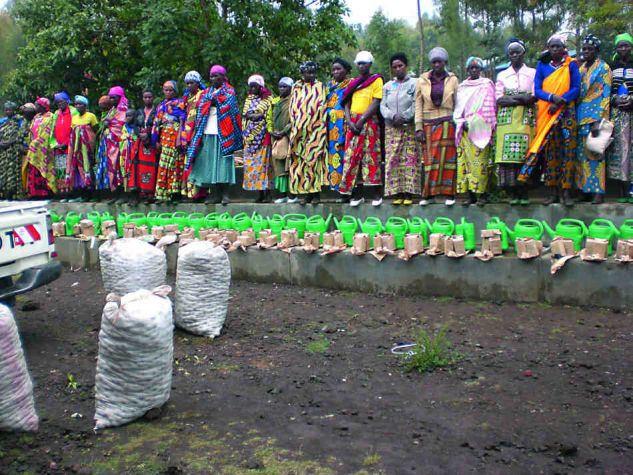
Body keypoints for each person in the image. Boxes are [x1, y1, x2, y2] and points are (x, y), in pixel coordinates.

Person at [518, 34, 581, 207]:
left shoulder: (571, 65)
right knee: (550, 152)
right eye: (552, 47)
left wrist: (562, 100)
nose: (555, 50)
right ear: (548, 48)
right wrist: (552, 98)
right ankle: (552, 191)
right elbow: (537, 90)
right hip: (548, 112)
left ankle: (567, 192)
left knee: (568, 151)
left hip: (567, 112)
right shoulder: (542, 66)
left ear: (563, 49)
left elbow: (576, 88)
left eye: (558, 47)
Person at [187, 65, 243, 205]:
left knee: (223, 164)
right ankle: (214, 194)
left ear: (223, 77)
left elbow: (231, 108)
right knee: (209, 163)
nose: (213, 78)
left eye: (216, 75)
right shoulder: (206, 93)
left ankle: (225, 194)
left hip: (224, 134)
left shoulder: (229, 92)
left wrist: (216, 101)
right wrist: (211, 101)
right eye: (211, 76)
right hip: (208, 131)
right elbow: (201, 107)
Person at [415, 47, 459, 206]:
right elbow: (418, 104)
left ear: (445, 62)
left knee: (448, 159)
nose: (436, 65)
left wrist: (458, 122)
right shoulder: (422, 80)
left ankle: (449, 194)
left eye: (439, 61)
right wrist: (418, 127)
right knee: (430, 161)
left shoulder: (453, 79)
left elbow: (457, 102)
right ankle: (429, 195)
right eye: (434, 62)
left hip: (448, 122)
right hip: (428, 124)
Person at [494, 38, 536, 205]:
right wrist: (520, 98)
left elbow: (533, 97)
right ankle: (512, 193)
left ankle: (524, 192)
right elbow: (499, 99)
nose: (514, 55)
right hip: (506, 120)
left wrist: (511, 97)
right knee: (508, 158)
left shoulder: (532, 73)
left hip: (526, 119)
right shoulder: (502, 75)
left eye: (517, 52)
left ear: (523, 53)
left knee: (525, 155)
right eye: (511, 53)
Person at [339, 51, 384, 206]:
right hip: (353, 123)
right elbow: (345, 102)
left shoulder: (376, 80)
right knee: (352, 157)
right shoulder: (354, 83)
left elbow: (376, 101)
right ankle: (355, 194)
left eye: (364, 63)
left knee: (370, 156)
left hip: (369, 121)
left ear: (370, 64)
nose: (361, 66)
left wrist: (363, 119)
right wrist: (350, 121)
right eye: (358, 63)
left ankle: (375, 194)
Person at [453, 56, 496, 206]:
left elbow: (489, 107)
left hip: (480, 130)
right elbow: (458, 109)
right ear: (467, 69)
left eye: (477, 67)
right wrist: (461, 122)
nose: (474, 70)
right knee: (465, 163)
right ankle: (470, 195)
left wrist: (476, 122)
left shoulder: (486, 85)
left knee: (480, 163)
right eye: (471, 67)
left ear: (481, 70)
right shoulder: (462, 87)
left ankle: (482, 195)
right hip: (464, 130)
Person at [575, 34, 612, 204]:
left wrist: (599, 119)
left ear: (597, 50)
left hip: (595, 116)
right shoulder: (581, 68)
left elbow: (605, 95)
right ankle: (585, 189)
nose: (586, 52)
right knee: (582, 154)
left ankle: (598, 191)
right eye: (584, 49)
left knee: (596, 154)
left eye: (590, 49)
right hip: (580, 115)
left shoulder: (604, 68)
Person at [380, 52, 420, 205]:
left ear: (406, 66)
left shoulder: (415, 83)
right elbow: (383, 105)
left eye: (400, 66)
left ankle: (409, 194)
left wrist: (405, 116)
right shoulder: (388, 86)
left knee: (409, 159)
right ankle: (397, 193)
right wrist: (391, 116)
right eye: (394, 67)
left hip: (408, 127)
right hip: (392, 129)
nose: (398, 69)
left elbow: (417, 103)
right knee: (393, 159)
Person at [288, 61, 328, 205]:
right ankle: (306, 194)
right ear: (303, 73)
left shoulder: (320, 87)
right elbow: (292, 107)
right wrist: (297, 124)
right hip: (299, 132)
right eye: (308, 72)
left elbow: (322, 106)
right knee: (300, 163)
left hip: (315, 131)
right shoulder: (296, 88)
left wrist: (312, 123)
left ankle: (316, 194)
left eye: (313, 72)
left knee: (314, 161)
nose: (311, 75)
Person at [607, 33, 633, 202]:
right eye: (620, 46)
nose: (623, 49)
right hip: (617, 115)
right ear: (616, 48)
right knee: (618, 150)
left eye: (626, 46)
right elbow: (606, 90)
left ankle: (631, 190)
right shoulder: (611, 66)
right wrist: (614, 100)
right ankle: (621, 190)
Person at [152, 80, 187, 202]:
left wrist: (179, 138)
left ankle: (174, 194)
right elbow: (156, 123)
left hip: (175, 136)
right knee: (163, 165)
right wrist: (155, 140)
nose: (168, 92)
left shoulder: (180, 104)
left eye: (170, 90)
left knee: (175, 165)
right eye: (165, 90)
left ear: (175, 91)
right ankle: (163, 195)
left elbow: (183, 121)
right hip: (164, 137)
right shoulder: (160, 106)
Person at [242, 74, 274, 201]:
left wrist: (259, 117)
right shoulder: (249, 99)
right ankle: (259, 194)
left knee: (265, 166)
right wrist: (252, 116)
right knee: (253, 167)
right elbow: (245, 114)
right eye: (251, 87)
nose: (253, 89)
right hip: (250, 138)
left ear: (261, 86)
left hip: (263, 137)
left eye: (255, 86)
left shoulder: (269, 98)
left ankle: (268, 194)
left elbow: (269, 115)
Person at [325, 58, 352, 193]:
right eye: (334, 69)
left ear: (346, 70)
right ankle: (337, 190)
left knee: (346, 157)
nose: (335, 71)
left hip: (347, 126)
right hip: (331, 129)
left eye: (339, 69)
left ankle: (348, 190)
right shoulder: (329, 87)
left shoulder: (352, 84)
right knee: (334, 157)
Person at [94, 86, 128, 195]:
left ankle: (122, 192)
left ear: (120, 97)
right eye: (110, 98)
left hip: (118, 144)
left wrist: (109, 124)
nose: (111, 100)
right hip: (108, 143)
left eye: (114, 98)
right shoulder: (112, 111)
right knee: (109, 166)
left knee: (118, 166)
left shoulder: (123, 110)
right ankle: (113, 192)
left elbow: (120, 125)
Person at [66, 95, 98, 200]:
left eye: (80, 104)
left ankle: (92, 194)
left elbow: (95, 130)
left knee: (89, 168)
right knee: (78, 170)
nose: (78, 106)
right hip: (77, 149)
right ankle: (82, 194)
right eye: (76, 104)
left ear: (85, 106)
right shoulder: (74, 118)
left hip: (87, 148)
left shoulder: (91, 116)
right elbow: (73, 132)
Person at [181, 70, 206, 200]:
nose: (189, 85)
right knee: (189, 162)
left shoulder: (202, 95)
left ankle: (200, 193)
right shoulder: (186, 98)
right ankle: (191, 193)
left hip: (198, 132)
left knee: (199, 162)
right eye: (187, 83)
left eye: (192, 83)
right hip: (187, 134)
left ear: (198, 83)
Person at [269, 77, 294, 203]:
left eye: (285, 87)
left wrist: (284, 132)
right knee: (278, 167)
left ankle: (291, 195)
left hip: (288, 137)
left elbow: (294, 120)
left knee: (288, 166)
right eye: (280, 86)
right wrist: (272, 131)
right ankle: (282, 195)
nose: (282, 89)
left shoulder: (293, 102)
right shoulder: (276, 102)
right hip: (276, 137)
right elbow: (270, 119)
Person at [24, 98, 55, 198]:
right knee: (33, 170)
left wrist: (37, 143)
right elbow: (31, 131)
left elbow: (48, 132)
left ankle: (45, 193)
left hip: (43, 149)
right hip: (34, 149)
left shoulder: (51, 117)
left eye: (37, 105)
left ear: (43, 106)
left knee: (44, 169)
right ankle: (34, 193)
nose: (35, 107)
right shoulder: (36, 117)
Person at [49, 92, 78, 198]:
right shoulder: (57, 113)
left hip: (70, 146)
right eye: (57, 102)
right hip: (59, 147)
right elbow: (52, 130)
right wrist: (55, 144)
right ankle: (63, 193)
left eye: (61, 101)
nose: (59, 104)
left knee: (70, 169)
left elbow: (75, 129)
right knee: (60, 170)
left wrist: (67, 143)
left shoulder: (73, 111)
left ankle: (73, 193)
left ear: (67, 101)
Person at [0, 101, 28, 199]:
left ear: (14, 110)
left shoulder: (19, 120)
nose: (8, 112)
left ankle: (14, 193)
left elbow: (21, 134)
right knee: (3, 171)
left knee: (13, 171)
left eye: (10, 110)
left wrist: (11, 142)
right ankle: (3, 193)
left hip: (14, 150)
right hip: (3, 151)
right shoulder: (2, 121)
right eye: (6, 110)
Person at [120, 109, 139, 193]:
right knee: (125, 172)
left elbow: (137, 139)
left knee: (134, 171)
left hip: (134, 154)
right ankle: (126, 192)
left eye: (130, 116)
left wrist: (131, 138)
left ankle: (135, 193)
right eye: (126, 116)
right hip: (125, 154)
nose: (128, 118)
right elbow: (121, 138)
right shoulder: (124, 127)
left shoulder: (137, 128)